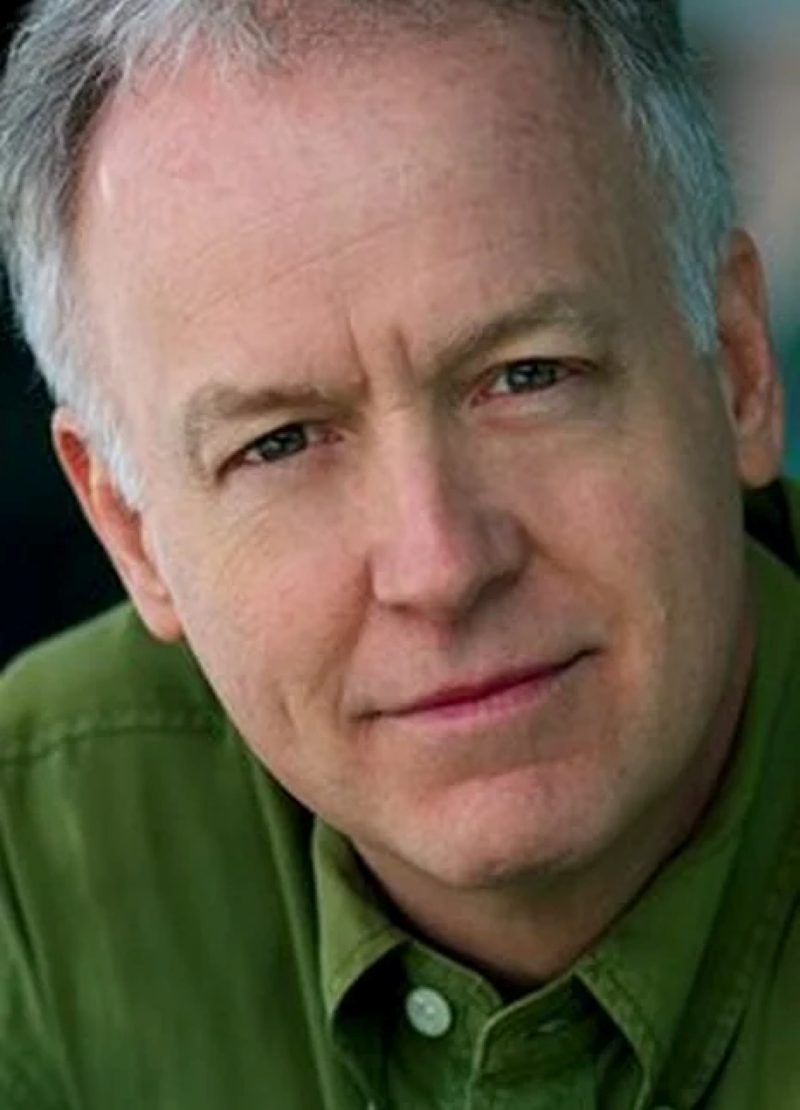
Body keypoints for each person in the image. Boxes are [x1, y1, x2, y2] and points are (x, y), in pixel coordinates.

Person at [0, 0, 797, 1106]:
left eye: (527, 376)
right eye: (280, 443)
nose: (440, 567)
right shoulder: (29, 873)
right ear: (130, 533)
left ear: (739, 367)